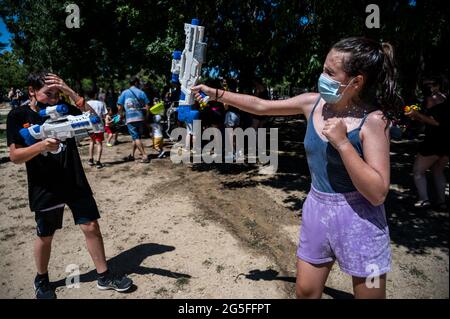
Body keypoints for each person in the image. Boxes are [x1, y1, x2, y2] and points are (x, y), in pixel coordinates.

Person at [193, 37, 397, 299]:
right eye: (323, 68)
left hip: (361, 220)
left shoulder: (374, 120)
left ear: (356, 81)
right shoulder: (312, 103)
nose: (322, 76)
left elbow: (378, 192)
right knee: (305, 292)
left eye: (330, 72)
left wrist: (344, 144)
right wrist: (216, 93)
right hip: (317, 210)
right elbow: (262, 107)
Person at [6, 71, 133, 299]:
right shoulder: (18, 115)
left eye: (57, 94)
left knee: (91, 226)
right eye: (48, 94)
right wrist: (42, 146)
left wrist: (71, 92)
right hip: (45, 186)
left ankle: (104, 276)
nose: (54, 99)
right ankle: (42, 279)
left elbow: (95, 122)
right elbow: (15, 156)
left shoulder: (65, 105)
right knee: (45, 234)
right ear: (31, 91)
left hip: (73, 178)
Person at [406, 76, 448, 210]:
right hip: (446, 142)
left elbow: (435, 122)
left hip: (434, 142)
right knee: (438, 171)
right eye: (426, 84)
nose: (429, 87)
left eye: (431, 84)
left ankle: (424, 200)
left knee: (418, 171)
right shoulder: (445, 98)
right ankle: (441, 202)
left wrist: (416, 115)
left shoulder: (433, 99)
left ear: (438, 85)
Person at [117, 76, 150, 163]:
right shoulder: (141, 92)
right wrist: (146, 116)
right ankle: (132, 155)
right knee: (136, 137)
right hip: (140, 118)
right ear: (136, 83)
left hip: (130, 119)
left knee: (136, 137)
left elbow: (119, 106)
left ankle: (144, 155)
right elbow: (147, 106)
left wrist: (120, 115)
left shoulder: (124, 93)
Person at [86, 89, 107, 168]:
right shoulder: (101, 103)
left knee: (91, 141)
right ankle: (98, 162)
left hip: (89, 125)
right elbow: (105, 115)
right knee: (99, 143)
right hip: (99, 125)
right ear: (95, 95)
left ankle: (91, 160)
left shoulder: (86, 103)